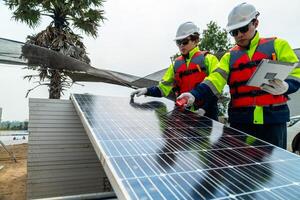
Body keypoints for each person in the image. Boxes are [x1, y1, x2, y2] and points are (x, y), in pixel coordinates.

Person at [177, 2, 300, 149]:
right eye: (234, 32)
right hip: (241, 123)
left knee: (273, 168)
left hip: (272, 122)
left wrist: (287, 86)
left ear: (255, 23)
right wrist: (194, 95)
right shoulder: (229, 57)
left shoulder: (278, 45)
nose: (239, 35)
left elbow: (296, 74)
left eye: (243, 29)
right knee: (240, 168)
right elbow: (214, 80)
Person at [131, 22, 223, 120]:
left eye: (185, 42)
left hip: (207, 115)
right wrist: (146, 90)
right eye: (178, 43)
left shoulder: (209, 59)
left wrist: (204, 109)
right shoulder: (175, 65)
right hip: (183, 115)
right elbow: (163, 89)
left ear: (195, 40)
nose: (181, 46)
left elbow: (216, 87)